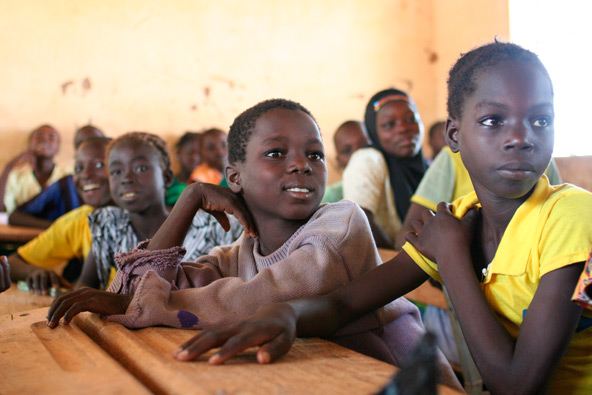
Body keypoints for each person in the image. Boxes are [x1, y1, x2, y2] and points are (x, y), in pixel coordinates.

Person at [146, 43, 592, 395]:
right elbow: (345, 304)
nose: (521, 138)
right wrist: (287, 315)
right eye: (494, 120)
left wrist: (453, 257)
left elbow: (517, 384)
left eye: (541, 120)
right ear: (455, 135)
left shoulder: (568, 213)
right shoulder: (456, 220)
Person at [47, 99, 460, 389]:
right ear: (234, 177)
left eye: (314, 155)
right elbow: (133, 293)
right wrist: (188, 201)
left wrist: (141, 305)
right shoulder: (237, 252)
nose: (301, 164)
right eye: (277, 153)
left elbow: (259, 299)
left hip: (401, 382)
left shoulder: (341, 224)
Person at [75, 132, 243, 290]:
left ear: (166, 177)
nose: (126, 179)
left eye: (140, 168)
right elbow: (85, 287)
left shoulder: (211, 226)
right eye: (116, 171)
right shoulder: (110, 224)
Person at [6, 137, 113, 294]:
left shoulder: (146, 221)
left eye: (98, 165)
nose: (85, 175)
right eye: (77, 168)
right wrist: (33, 272)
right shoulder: (81, 219)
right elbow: (12, 263)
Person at [343, 89, 427, 249]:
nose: (403, 128)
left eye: (411, 119)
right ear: (374, 131)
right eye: (389, 125)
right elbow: (358, 221)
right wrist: (399, 260)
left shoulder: (430, 169)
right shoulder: (367, 159)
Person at [8, 125, 106, 228]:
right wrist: (60, 228)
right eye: (82, 145)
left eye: (99, 164)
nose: (86, 174)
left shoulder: (119, 189)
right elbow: (15, 216)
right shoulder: (67, 183)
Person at [1, 124, 70, 213]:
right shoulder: (16, 177)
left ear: (57, 148)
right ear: (29, 145)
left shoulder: (68, 175)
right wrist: (8, 167)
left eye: (51, 137)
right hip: (22, 226)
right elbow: (1, 211)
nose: (44, 140)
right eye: (38, 136)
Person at [321, 120, 369, 204]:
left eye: (364, 145)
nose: (357, 155)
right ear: (338, 163)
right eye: (347, 151)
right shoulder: (329, 199)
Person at [165, 132, 202, 207]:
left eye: (200, 154)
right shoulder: (168, 184)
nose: (195, 158)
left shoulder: (210, 183)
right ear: (178, 153)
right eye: (190, 153)